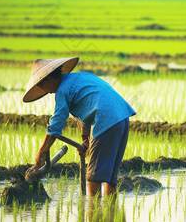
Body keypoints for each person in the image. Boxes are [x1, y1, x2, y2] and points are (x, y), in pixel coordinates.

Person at [23, 57, 136, 196]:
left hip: (106, 121)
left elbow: (56, 122)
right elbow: (87, 110)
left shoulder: (62, 90)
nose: (44, 90)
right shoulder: (80, 77)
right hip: (122, 119)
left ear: (47, 79)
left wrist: (43, 149)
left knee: (94, 176)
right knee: (110, 177)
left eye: (41, 86)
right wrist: (87, 140)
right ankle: (110, 214)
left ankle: (93, 212)